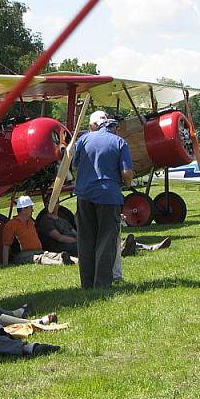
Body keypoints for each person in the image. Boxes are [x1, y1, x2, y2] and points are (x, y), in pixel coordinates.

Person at [73, 111, 134, 288]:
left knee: (86, 239)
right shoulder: (119, 142)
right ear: (113, 128)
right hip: (109, 195)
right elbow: (126, 172)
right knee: (106, 240)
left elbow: (75, 165)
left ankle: (87, 283)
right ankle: (101, 284)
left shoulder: (84, 139)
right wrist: (128, 183)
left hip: (84, 195)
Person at [2, 196, 75, 266]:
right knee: (39, 259)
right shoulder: (11, 224)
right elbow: (6, 246)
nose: (33, 211)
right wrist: (5, 264)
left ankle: (76, 260)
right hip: (25, 254)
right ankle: (61, 263)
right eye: (31, 208)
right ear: (24, 209)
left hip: (39, 251)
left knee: (52, 255)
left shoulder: (30, 222)